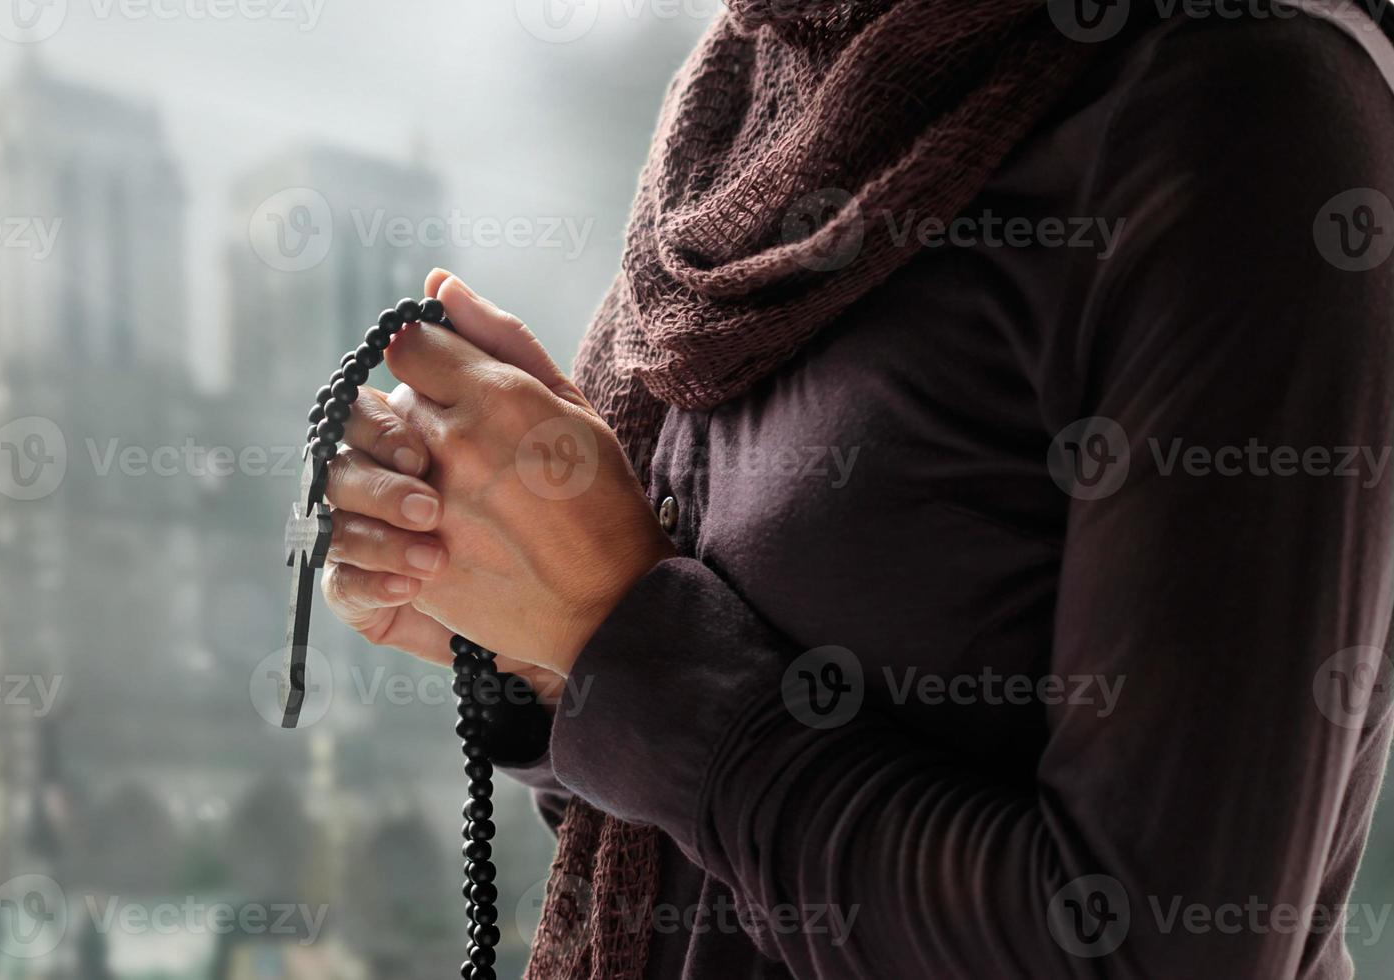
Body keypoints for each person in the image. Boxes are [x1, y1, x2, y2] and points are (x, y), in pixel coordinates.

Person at [319, 1, 1394, 977]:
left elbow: (1148, 954)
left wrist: (621, 627)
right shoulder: (741, 92)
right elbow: (697, 872)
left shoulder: (1242, 110)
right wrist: (543, 635)